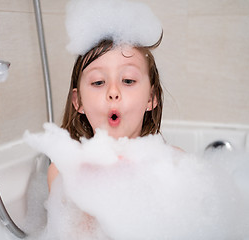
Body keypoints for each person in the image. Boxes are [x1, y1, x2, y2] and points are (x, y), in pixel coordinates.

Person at [47, 36, 164, 191]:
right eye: (98, 82)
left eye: (128, 80)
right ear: (79, 101)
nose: (113, 92)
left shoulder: (172, 166)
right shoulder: (64, 171)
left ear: (151, 97)